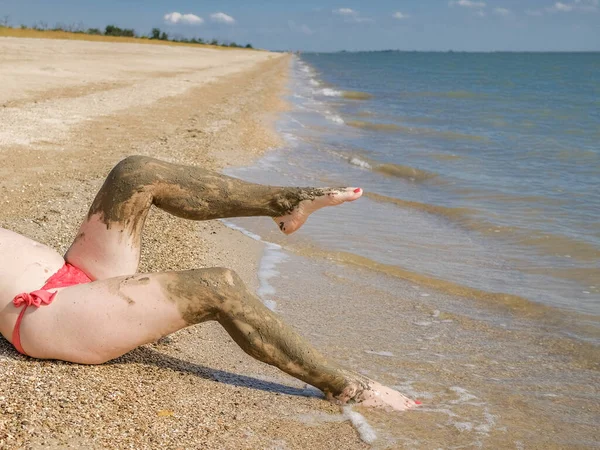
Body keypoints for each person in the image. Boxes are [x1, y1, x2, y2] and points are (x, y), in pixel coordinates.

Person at [0, 155, 417, 411]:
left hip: (74, 273)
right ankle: (344, 387)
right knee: (218, 286)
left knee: (136, 173)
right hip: (46, 315)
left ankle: (284, 202)